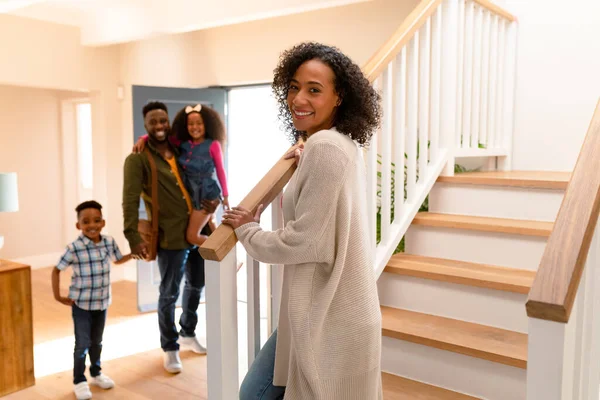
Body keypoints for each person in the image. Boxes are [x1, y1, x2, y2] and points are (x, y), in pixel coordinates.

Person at [223, 42, 383, 400]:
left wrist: (248, 229)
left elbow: (305, 241)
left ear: (339, 96)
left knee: (253, 394)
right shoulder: (339, 143)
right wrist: (303, 152)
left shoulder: (325, 146)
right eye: (294, 87)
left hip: (327, 316)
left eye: (314, 90)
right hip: (343, 310)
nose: (298, 99)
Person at [122, 101, 218, 374]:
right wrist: (132, 236)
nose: (159, 126)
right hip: (168, 235)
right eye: (153, 122)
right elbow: (129, 200)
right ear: (146, 126)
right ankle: (170, 346)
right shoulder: (138, 158)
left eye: (163, 120)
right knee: (168, 293)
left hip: (196, 229)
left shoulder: (179, 149)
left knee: (197, 284)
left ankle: (188, 332)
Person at [52, 200, 130, 400]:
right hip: (82, 304)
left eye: (96, 220)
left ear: (103, 222)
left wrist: (134, 254)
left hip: (102, 302)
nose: (92, 225)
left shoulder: (108, 242)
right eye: (86, 222)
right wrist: (57, 296)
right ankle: (79, 380)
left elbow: (117, 259)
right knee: (82, 343)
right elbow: (57, 270)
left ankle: (96, 373)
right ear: (78, 226)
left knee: (97, 341)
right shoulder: (74, 248)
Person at [133, 103, 229, 246]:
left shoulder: (213, 145)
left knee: (192, 236)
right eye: (191, 124)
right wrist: (143, 138)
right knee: (211, 226)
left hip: (205, 194)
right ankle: (226, 254)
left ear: (206, 125)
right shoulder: (184, 144)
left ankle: (225, 252)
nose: (194, 127)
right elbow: (160, 136)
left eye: (199, 123)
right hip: (190, 192)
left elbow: (221, 171)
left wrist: (226, 196)